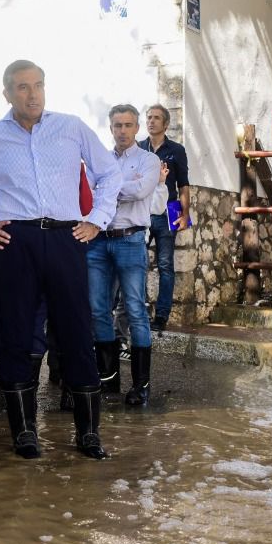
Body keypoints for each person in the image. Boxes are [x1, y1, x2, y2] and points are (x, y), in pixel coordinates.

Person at [0, 59, 122, 460]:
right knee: (16, 334)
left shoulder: (70, 127)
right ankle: (24, 433)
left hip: (67, 237)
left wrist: (96, 221)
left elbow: (110, 174)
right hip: (14, 241)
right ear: (7, 94)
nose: (32, 93)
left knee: (76, 330)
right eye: (22, 87)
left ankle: (88, 434)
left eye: (37, 85)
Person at [88, 105, 163, 406]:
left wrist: (107, 188)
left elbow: (141, 191)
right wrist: (112, 188)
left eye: (128, 125)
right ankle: (108, 380)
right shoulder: (101, 160)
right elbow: (87, 192)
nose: (122, 130)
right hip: (98, 240)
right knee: (97, 309)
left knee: (134, 309)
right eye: (117, 125)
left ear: (137, 128)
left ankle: (141, 386)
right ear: (111, 127)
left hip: (130, 239)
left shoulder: (149, 159)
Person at [139, 104, 190, 330]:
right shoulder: (139, 148)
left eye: (156, 118)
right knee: (135, 263)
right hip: (141, 212)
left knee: (166, 266)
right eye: (149, 117)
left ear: (166, 123)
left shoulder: (176, 150)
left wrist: (185, 214)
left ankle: (161, 317)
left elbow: (183, 185)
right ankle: (135, 313)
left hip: (168, 212)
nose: (151, 121)